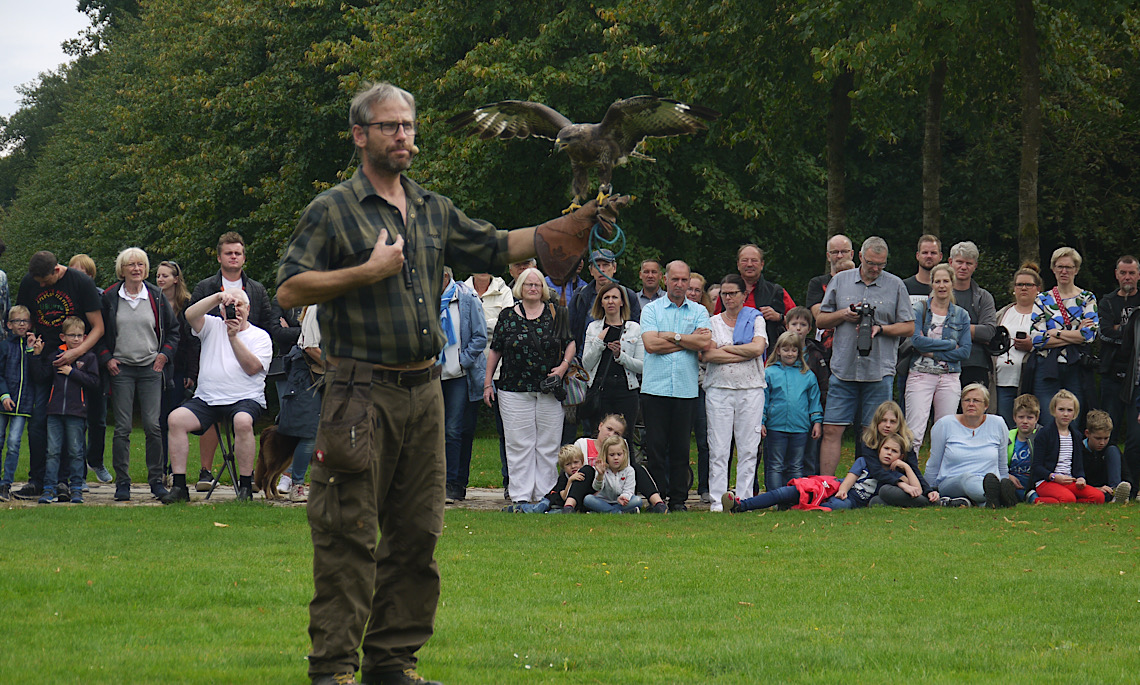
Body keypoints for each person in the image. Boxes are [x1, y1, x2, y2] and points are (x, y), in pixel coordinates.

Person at [275, 82, 622, 685]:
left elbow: (497, 244)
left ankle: (392, 665)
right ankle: (333, 671)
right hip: (359, 392)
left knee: (417, 536)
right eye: (389, 126)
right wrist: (367, 271)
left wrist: (572, 224)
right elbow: (289, 290)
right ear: (361, 135)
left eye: (408, 124)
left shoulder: (432, 208)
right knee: (348, 536)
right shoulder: (333, 209)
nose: (403, 135)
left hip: (425, 391)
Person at [160, 290, 272, 504]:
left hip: (245, 398)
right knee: (175, 419)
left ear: (248, 309)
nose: (235, 310)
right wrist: (218, 298)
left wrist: (233, 337)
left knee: (242, 421)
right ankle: (180, 487)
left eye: (240, 305)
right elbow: (190, 315)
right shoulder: (211, 326)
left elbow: (251, 368)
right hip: (207, 398)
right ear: (222, 310)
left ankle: (246, 486)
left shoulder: (260, 336)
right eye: (230, 306)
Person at [816, 236, 915, 476]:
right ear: (860, 256)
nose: (875, 269)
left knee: (877, 433)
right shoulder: (840, 280)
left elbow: (909, 327)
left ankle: (871, 485)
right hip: (843, 368)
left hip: (879, 370)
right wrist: (843, 315)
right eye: (871, 263)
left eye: (880, 264)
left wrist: (881, 329)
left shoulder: (896, 285)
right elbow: (820, 320)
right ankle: (826, 485)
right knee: (832, 429)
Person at [11, 251, 104, 502]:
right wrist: (28, 338)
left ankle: (65, 482)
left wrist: (77, 353)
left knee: (70, 420)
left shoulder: (80, 283)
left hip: (73, 358)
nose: (40, 286)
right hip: (43, 358)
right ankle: (38, 480)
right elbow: (25, 318)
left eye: (44, 281)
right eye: (37, 281)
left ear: (56, 271)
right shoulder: (30, 282)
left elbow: (98, 326)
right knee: (40, 420)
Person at [188, 231, 273, 491]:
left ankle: (247, 478)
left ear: (244, 257)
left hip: (246, 361)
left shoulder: (256, 289)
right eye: (228, 253)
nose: (233, 257)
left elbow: (267, 323)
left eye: (238, 253)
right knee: (207, 410)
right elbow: (192, 323)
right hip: (211, 357)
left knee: (241, 419)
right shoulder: (206, 288)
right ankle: (205, 470)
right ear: (219, 257)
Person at [484, 268, 575, 506]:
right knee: (518, 443)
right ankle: (521, 495)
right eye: (528, 285)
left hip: (549, 388)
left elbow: (570, 343)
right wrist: (487, 383)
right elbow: (496, 349)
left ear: (543, 289)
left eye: (537, 285)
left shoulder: (557, 314)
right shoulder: (507, 316)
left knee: (548, 444)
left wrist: (563, 367)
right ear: (520, 288)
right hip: (513, 388)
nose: (533, 288)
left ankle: (545, 494)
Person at [97, 248, 180, 501]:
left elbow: (174, 332)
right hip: (120, 369)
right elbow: (98, 333)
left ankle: (156, 481)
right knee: (122, 428)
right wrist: (107, 359)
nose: (136, 269)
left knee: (153, 426)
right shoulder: (110, 297)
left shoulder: (156, 296)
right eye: (131, 265)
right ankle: (123, 483)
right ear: (121, 270)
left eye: (141, 265)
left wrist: (164, 356)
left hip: (150, 369)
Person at [641, 260, 712, 511]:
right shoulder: (651, 310)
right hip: (655, 389)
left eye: (684, 280)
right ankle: (658, 499)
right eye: (675, 279)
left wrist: (670, 335)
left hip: (685, 389)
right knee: (656, 447)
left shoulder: (700, 311)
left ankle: (679, 500)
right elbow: (650, 345)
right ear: (665, 280)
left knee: (681, 448)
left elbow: (704, 344)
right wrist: (687, 340)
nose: (680, 284)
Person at [701, 274, 767, 510]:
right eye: (724, 294)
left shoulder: (755, 319)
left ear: (744, 295)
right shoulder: (712, 322)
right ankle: (718, 501)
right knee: (718, 446)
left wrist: (725, 350)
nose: (728, 298)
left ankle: (744, 499)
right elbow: (707, 355)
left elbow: (758, 348)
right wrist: (742, 350)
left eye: (733, 293)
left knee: (749, 446)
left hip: (751, 389)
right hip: (719, 389)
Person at [903, 263, 972, 452]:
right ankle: (909, 477)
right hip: (920, 375)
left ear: (952, 283)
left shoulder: (962, 315)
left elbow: (965, 351)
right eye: (938, 281)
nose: (942, 285)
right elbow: (916, 341)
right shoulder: (919, 309)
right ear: (932, 284)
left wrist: (933, 353)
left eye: (946, 281)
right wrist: (950, 344)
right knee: (914, 432)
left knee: (945, 433)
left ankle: (939, 479)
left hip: (949, 377)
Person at [32, 317, 99, 504]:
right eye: (72, 335)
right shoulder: (55, 356)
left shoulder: (89, 357)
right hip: (54, 411)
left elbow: (94, 382)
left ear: (85, 337)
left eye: (79, 336)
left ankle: (76, 488)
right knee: (52, 451)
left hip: (77, 412)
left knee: (76, 451)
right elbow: (41, 376)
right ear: (63, 337)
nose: (76, 339)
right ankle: (49, 488)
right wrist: (37, 355)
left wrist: (73, 373)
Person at [1030, 247, 1098, 423]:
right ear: (1053, 269)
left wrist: (1057, 332)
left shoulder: (1087, 299)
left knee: (1073, 423)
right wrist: (1076, 334)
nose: (1064, 271)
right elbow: (1037, 339)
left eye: (1068, 267)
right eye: (1060, 266)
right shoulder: (1042, 299)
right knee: (1046, 422)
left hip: (1076, 368)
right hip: (1047, 367)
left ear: (1076, 269)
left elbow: (1089, 335)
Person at [464, 269, 514, 499]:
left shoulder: (505, 291)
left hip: (500, 372)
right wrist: (489, 324)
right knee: (461, 430)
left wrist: (474, 323)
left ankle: (510, 483)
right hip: (465, 368)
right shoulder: (460, 289)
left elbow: (506, 326)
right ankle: (455, 485)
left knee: (507, 432)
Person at [439, 267, 487, 503]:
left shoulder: (466, 298)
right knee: (430, 430)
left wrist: (462, 360)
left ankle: (453, 483)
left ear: (445, 276)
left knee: (453, 429)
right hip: (431, 375)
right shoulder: (421, 299)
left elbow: (480, 336)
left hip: (458, 375)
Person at [924, 384, 1012, 508]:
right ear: (961, 404)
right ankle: (996, 496)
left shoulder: (998, 423)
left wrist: (1004, 480)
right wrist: (928, 490)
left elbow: (1001, 463)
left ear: (986, 405)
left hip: (987, 480)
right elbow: (934, 463)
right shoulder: (945, 424)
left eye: (976, 401)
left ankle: (989, 501)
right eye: (967, 400)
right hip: (952, 481)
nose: (971, 404)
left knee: (984, 491)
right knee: (966, 478)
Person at [564, 413, 667, 513]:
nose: (611, 434)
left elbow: (626, 473)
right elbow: (572, 470)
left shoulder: (621, 446)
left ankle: (659, 504)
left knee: (636, 469)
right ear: (600, 426)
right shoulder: (582, 443)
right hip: (591, 490)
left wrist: (625, 496)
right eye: (609, 429)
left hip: (618, 493)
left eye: (617, 433)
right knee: (587, 470)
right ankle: (568, 507)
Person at [68, 253, 112, 487]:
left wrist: (106, 358)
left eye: (82, 273)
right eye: (73, 271)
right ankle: (76, 473)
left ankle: (95, 460)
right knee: (73, 419)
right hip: (69, 363)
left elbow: (107, 331)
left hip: (96, 363)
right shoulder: (65, 297)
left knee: (98, 418)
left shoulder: (100, 297)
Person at [761, 332, 822, 493]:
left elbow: (814, 401)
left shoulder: (807, 375)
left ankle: (793, 497)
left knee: (796, 466)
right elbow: (763, 401)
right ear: (778, 351)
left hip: (800, 428)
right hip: (775, 426)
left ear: (799, 352)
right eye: (786, 349)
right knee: (775, 465)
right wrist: (761, 421)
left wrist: (816, 421)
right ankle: (774, 497)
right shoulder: (769, 373)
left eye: (794, 350)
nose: (790, 353)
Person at [275, 305, 324, 503]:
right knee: (308, 433)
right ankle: (296, 484)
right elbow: (310, 347)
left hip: (325, 372)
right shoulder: (316, 306)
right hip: (307, 374)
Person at [581, 282, 643, 430]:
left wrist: (620, 356)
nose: (610, 301)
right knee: (601, 436)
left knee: (625, 437)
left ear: (622, 302)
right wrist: (598, 342)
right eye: (606, 297)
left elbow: (642, 366)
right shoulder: (593, 328)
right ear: (600, 302)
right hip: (600, 389)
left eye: (615, 297)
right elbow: (586, 365)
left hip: (626, 390)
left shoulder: (634, 328)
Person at [155, 260, 198, 478]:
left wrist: (192, 373)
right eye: (158, 276)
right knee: (159, 419)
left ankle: (174, 469)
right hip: (155, 368)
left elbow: (192, 342)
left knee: (174, 418)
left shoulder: (188, 305)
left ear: (176, 279)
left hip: (180, 369)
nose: (160, 279)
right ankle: (160, 468)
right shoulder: (152, 302)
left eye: (165, 275)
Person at [715, 244, 795, 350]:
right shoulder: (726, 292)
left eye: (754, 260)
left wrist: (778, 317)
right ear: (738, 264)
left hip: (769, 356)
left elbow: (798, 323)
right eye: (744, 260)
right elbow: (715, 323)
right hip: (729, 353)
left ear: (762, 264)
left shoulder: (776, 291)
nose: (749, 264)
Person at [1031, 390, 1105, 504]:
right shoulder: (1044, 434)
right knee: (1068, 499)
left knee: (1098, 497)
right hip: (1047, 481)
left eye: (1069, 410)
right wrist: (1053, 477)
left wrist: (1081, 478)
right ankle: (1034, 499)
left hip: (1069, 481)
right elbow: (1037, 466)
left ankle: (1068, 499)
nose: (1065, 414)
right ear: (1054, 410)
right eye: (1061, 409)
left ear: (1074, 413)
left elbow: (1078, 465)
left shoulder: (1076, 436)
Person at [1095, 255, 1139, 443]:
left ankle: (1131, 472)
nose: (1127, 277)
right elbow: (1103, 334)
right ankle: (1110, 471)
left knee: (1135, 435)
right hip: (1111, 373)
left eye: (1131, 273)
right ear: (1116, 275)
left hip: (1137, 377)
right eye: (1123, 273)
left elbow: (1113, 331)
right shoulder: (1107, 302)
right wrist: (1132, 332)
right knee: (1107, 430)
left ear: (1138, 275)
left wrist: (1118, 328)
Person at [993, 264, 1043, 427]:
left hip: (1030, 381)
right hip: (1002, 380)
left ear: (1038, 289)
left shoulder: (1044, 317)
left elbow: (1053, 342)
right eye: (1019, 284)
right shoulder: (1002, 313)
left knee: (1027, 429)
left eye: (1028, 285)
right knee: (1004, 428)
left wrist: (1032, 346)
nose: (1023, 288)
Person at [568, 248, 640, 358]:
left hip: (620, 362)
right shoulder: (580, 296)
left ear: (614, 268)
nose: (601, 269)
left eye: (605, 265)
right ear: (591, 271)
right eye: (597, 266)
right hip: (585, 363)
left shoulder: (628, 296)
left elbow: (637, 333)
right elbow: (569, 332)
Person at [946, 241, 998, 390]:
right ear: (950, 262)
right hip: (943, 363)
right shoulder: (939, 294)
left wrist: (951, 327)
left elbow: (988, 332)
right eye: (959, 262)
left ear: (975, 265)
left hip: (976, 363)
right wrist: (972, 331)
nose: (963, 267)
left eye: (968, 263)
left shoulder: (983, 297)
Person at [0, 306, 35, 501]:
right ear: (9, 325)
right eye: (17, 321)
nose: (21, 324)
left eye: (25, 321)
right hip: (4, 401)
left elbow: (36, 372)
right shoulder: (4, 346)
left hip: (24, 404)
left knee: (14, 443)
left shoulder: (33, 345)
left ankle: (6, 483)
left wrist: (31, 350)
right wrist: (4, 395)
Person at [503, 443, 583, 513]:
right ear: (563, 467)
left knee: (556, 513)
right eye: (568, 464)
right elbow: (564, 496)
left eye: (576, 462)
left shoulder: (583, 474)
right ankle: (518, 508)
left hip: (560, 506)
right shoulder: (563, 477)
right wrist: (570, 480)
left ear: (582, 462)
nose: (573, 466)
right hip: (550, 500)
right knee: (537, 509)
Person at [1082, 409, 1131, 504]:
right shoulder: (1079, 449)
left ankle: (1116, 491)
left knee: (1112, 450)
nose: (1102, 443)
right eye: (1098, 438)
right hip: (1090, 488)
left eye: (1106, 438)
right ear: (1087, 434)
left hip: (1108, 487)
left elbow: (1126, 474)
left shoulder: (1110, 448)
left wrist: (1127, 484)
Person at [583, 435, 642, 514]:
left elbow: (629, 490)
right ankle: (618, 512)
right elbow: (596, 488)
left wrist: (623, 497)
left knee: (637, 500)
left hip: (620, 502)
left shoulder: (629, 470)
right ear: (606, 456)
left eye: (619, 454)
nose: (616, 458)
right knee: (588, 499)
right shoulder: (602, 468)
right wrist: (600, 475)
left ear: (624, 454)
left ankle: (604, 512)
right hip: (603, 501)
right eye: (612, 455)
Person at [806, 233, 854, 317]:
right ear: (828, 256)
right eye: (835, 252)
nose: (839, 256)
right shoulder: (817, 283)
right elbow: (819, 316)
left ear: (852, 254)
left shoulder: (864, 281)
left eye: (844, 251)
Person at [1006, 394, 1041, 504]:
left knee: (1037, 499)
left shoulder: (1042, 436)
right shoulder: (1008, 437)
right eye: (1021, 417)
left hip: (1034, 484)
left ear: (1036, 418)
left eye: (1029, 418)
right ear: (1014, 417)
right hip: (1011, 481)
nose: (1025, 421)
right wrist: (1007, 475)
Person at [902, 235, 943, 305]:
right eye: (925, 253)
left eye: (933, 253)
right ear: (918, 256)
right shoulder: (904, 287)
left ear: (940, 256)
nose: (929, 256)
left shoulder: (945, 288)